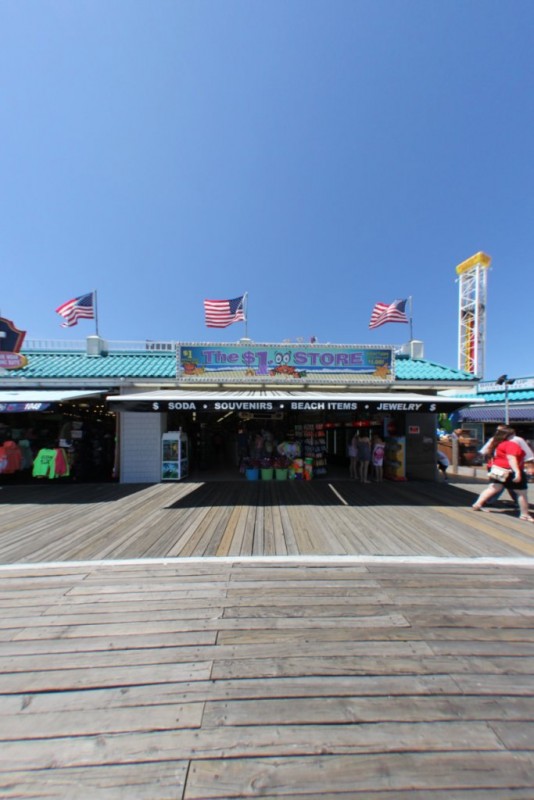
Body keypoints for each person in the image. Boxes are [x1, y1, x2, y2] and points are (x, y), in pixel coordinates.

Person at [472, 426, 534, 522]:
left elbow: (485, 452)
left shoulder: (497, 443)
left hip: (498, 469)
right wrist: (517, 471)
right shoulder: (511, 444)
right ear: (509, 435)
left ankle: (477, 504)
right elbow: (511, 459)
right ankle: (524, 514)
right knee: (521, 493)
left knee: (493, 488)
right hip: (510, 470)